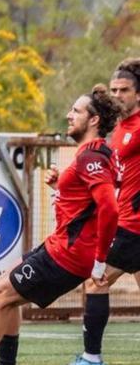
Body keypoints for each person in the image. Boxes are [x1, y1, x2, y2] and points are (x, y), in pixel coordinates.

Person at [0, 85, 121, 365]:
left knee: (0, 298)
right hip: (61, 246)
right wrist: (62, 183)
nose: (68, 115)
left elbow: (109, 208)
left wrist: (100, 262)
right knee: (3, 286)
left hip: (68, 255)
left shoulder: (90, 157)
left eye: (76, 110)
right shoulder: (99, 153)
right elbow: (89, 200)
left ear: (94, 120)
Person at [69, 59, 140, 365]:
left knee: (95, 281)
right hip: (130, 223)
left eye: (124, 89)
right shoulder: (120, 127)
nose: (117, 94)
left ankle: (91, 357)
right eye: (113, 89)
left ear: (138, 94)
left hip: (132, 225)